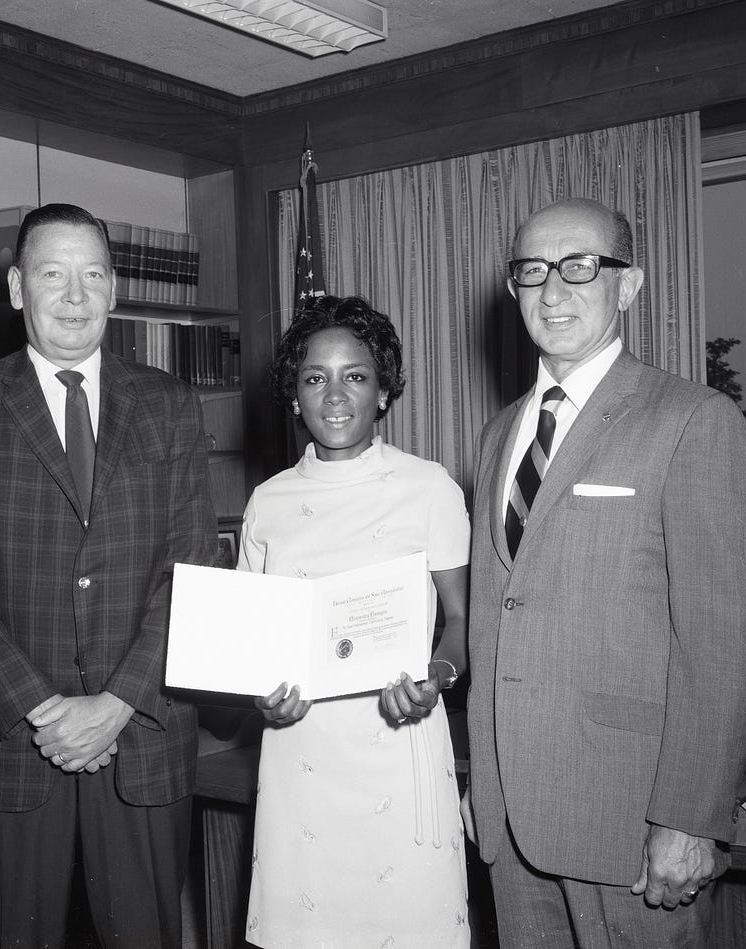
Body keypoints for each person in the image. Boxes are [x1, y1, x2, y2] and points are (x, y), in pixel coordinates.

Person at [464, 197, 746, 948]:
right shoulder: (499, 432)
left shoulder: (694, 420)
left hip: (627, 820)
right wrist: (484, 778)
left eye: (581, 266)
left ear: (628, 285)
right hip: (510, 821)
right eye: (532, 271)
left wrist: (691, 817)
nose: (554, 290)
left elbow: (721, 644)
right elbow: (495, 616)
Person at [0, 203, 216, 948]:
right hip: (13, 737)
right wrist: (47, 710)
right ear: (18, 287)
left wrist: (114, 704)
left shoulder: (171, 406)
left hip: (142, 730)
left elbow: (194, 569)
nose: (75, 297)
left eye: (92, 276)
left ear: (115, 290)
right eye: (53, 274)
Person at [239, 295, 471, 948]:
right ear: (294, 396)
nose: (334, 394)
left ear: (384, 393)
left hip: (399, 747)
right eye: (315, 377)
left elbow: (462, 621)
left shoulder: (430, 488)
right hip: (301, 760)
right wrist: (264, 699)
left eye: (356, 375)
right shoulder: (267, 502)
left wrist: (437, 674)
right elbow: (257, 645)